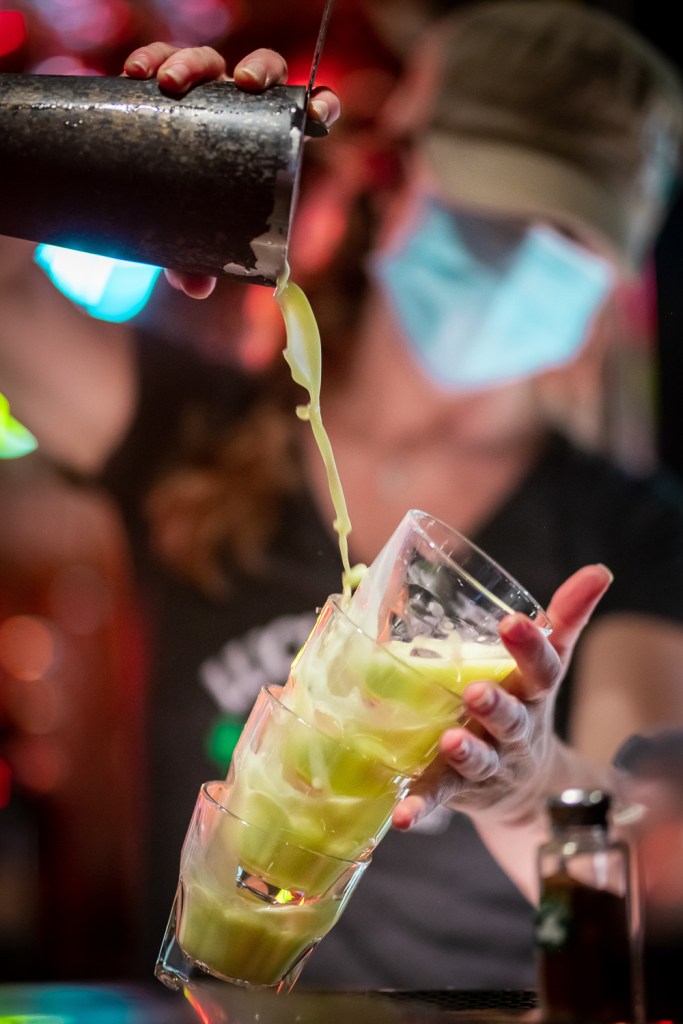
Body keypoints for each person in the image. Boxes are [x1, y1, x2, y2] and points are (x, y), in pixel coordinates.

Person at [1, 0, 683, 993]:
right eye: (494, 212)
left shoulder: (626, 531)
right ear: (391, 175)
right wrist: (122, 143)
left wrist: (529, 782)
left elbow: (645, 870)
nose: (521, 257)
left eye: (566, 240)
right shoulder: (200, 430)